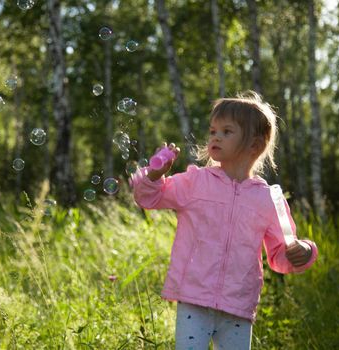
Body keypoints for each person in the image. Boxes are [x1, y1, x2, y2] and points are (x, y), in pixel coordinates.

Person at [130, 91, 318, 350]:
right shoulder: (195, 182)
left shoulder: (269, 198)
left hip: (238, 306)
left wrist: (304, 251)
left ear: (255, 144)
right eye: (213, 130)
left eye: (227, 131)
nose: (215, 136)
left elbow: (280, 254)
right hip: (193, 298)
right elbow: (149, 198)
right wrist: (153, 176)